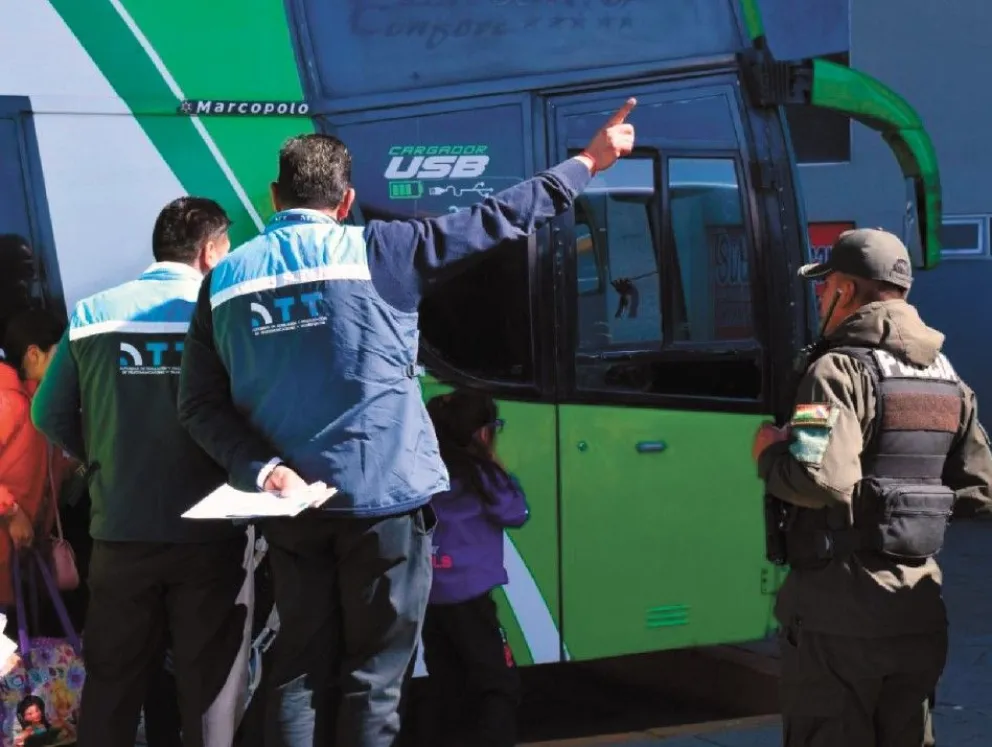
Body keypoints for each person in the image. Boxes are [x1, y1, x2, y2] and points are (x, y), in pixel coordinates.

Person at [176, 98, 637, 746]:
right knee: (375, 679)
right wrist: (590, 160)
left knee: (297, 672)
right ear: (346, 201)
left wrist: (266, 469)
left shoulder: (221, 281)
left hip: (290, 511)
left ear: (276, 196)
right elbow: (499, 218)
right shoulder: (387, 250)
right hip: (384, 506)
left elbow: (197, 405)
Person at [752, 228, 992, 747]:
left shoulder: (835, 371)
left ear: (846, 290)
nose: (819, 295)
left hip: (838, 619)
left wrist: (771, 451)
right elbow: (980, 490)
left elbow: (818, 481)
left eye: (825, 285)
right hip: (919, 616)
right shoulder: (946, 376)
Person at [31, 197, 252, 747]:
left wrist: (103, 456)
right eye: (227, 248)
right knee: (209, 689)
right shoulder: (224, 309)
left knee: (112, 685)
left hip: (121, 529)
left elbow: (48, 414)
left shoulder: (93, 312)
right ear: (208, 251)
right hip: (211, 531)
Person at [420, 391, 529, 747]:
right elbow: (515, 513)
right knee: (498, 682)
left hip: (430, 596)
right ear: (483, 433)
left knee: (446, 681)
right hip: (471, 597)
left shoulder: (423, 471)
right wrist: (495, 464)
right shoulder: (482, 475)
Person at [0, 310, 72, 622]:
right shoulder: (7, 400)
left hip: (19, 556)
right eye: (61, 352)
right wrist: (12, 512)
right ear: (34, 354)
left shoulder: (37, 402)